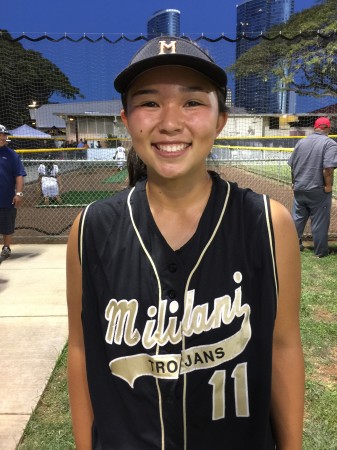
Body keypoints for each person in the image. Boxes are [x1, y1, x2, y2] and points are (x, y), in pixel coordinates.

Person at [67, 36, 304, 450]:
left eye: (192, 102)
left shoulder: (268, 223)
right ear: (126, 119)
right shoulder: (90, 229)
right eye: (150, 102)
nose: (171, 121)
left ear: (220, 120)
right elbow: (82, 351)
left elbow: (283, 347)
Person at [288, 117, 337, 257]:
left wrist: (294, 182)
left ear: (315, 128)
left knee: (297, 219)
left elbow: (292, 166)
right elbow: (328, 169)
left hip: (299, 187)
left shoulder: (301, 142)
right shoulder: (330, 143)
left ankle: (294, 246)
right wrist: (328, 186)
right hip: (317, 189)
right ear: (327, 128)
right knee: (320, 222)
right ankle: (320, 252)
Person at [0, 124, 26, 262]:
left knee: (7, 224)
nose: (2, 137)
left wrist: (19, 193)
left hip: (6, 197)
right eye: (0, 134)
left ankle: (6, 247)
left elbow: (19, 175)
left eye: (4, 135)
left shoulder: (11, 155)